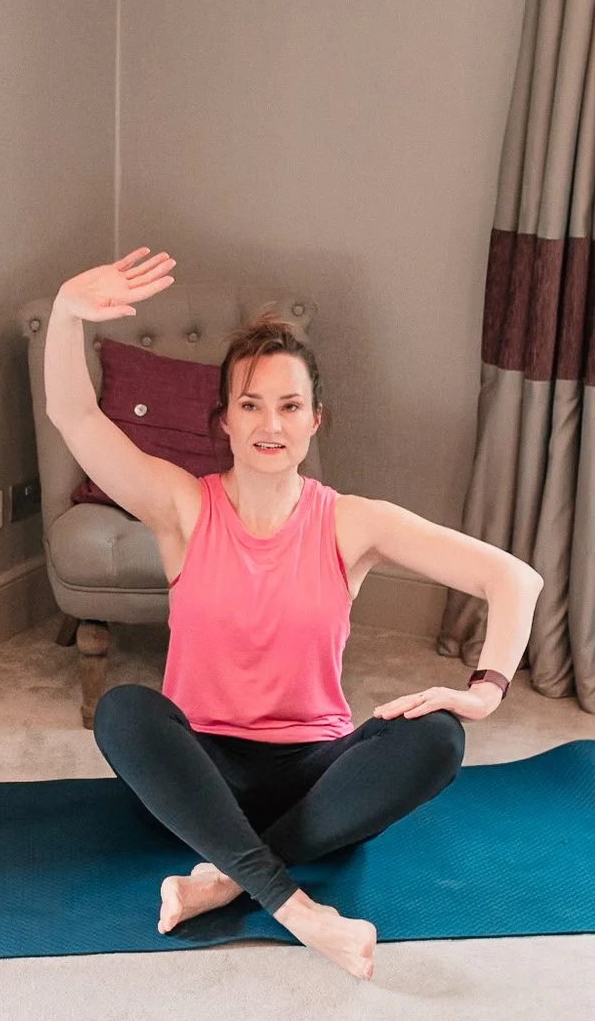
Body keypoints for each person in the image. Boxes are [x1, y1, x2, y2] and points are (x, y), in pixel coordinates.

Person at [46, 249, 542, 980]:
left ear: (315, 419)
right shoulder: (182, 506)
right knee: (123, 710)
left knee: (438, 739)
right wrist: (65, 309)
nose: (269, 423)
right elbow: (73, 413)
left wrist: (483, 691)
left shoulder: (352, 522)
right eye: (250, 404)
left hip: (317, 772)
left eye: (287, 405)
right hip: (202, 768)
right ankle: (296, 906)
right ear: (223, 420)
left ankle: (224, 875)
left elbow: (513, 578)